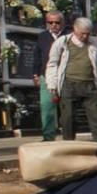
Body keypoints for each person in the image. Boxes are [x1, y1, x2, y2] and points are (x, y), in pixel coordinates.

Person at [45, 16, 97, 148]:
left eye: (88, 33)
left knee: (96, 118)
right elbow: (52, 64)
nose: (85, 36)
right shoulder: (62, 42)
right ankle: (69, 146)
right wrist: (52, 85)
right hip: (69, 84)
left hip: (90, 85)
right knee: (68, 119)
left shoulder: (94, 43)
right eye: (82, 33)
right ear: (75, 29)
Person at [34, 11, 65, 141]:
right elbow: (37, 56)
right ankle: (48, 136)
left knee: (65, 107)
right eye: (50, 22)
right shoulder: (42, 36)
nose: (53, 25)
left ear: (62, 23)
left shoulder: (68, 36)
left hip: (65, 75)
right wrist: (35, 74)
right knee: (46, 106)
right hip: (46, 75)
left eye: (57, 22)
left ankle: (68, 135)